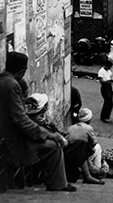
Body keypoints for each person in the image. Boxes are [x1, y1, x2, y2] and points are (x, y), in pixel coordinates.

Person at [0, 52, 76, 192]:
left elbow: (9, 107)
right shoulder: (12, 85)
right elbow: (21, 120)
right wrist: (47, 134)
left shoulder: (3, 80)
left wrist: (23, 101)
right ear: (22, 71)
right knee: (54, 145)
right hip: (12, 138)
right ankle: (58, 185)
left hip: (6, 133)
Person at [25, 93, 103, 185]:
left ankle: (88, 172)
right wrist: (63, 138)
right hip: (52, 150)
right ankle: (88, 173)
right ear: (43, 108)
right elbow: (50, 137)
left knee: (80, 143)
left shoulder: (42, 120)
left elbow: (56, 131)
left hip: (55, 145)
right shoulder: (37, 123)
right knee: (81, 144)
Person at [67, 108, 109, 179]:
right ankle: (96, 168)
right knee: (98, 147)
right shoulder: (88, 128)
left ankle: (92, 168)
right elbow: (93, 143)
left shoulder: (71, 128)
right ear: (88, 120)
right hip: (80, 154)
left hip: (72, 153)